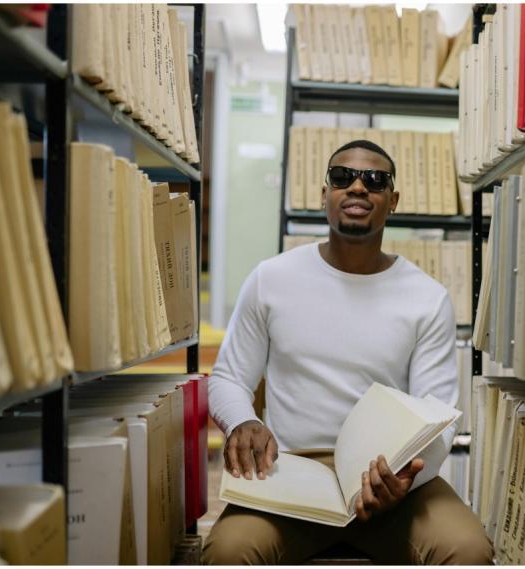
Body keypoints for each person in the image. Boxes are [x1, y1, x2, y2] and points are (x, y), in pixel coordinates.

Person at [201, 140, 493, 565]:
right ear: (325, 195)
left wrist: (406, 478)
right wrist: (242, 420)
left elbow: (438, 415)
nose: (358, 187)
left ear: (392, 201)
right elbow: (228, 378)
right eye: (343, 177)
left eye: (375, 180)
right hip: (289, 471)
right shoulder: (271, 280)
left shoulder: (427, 298)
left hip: (390, 481)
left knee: (467, 549)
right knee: (228, 550)